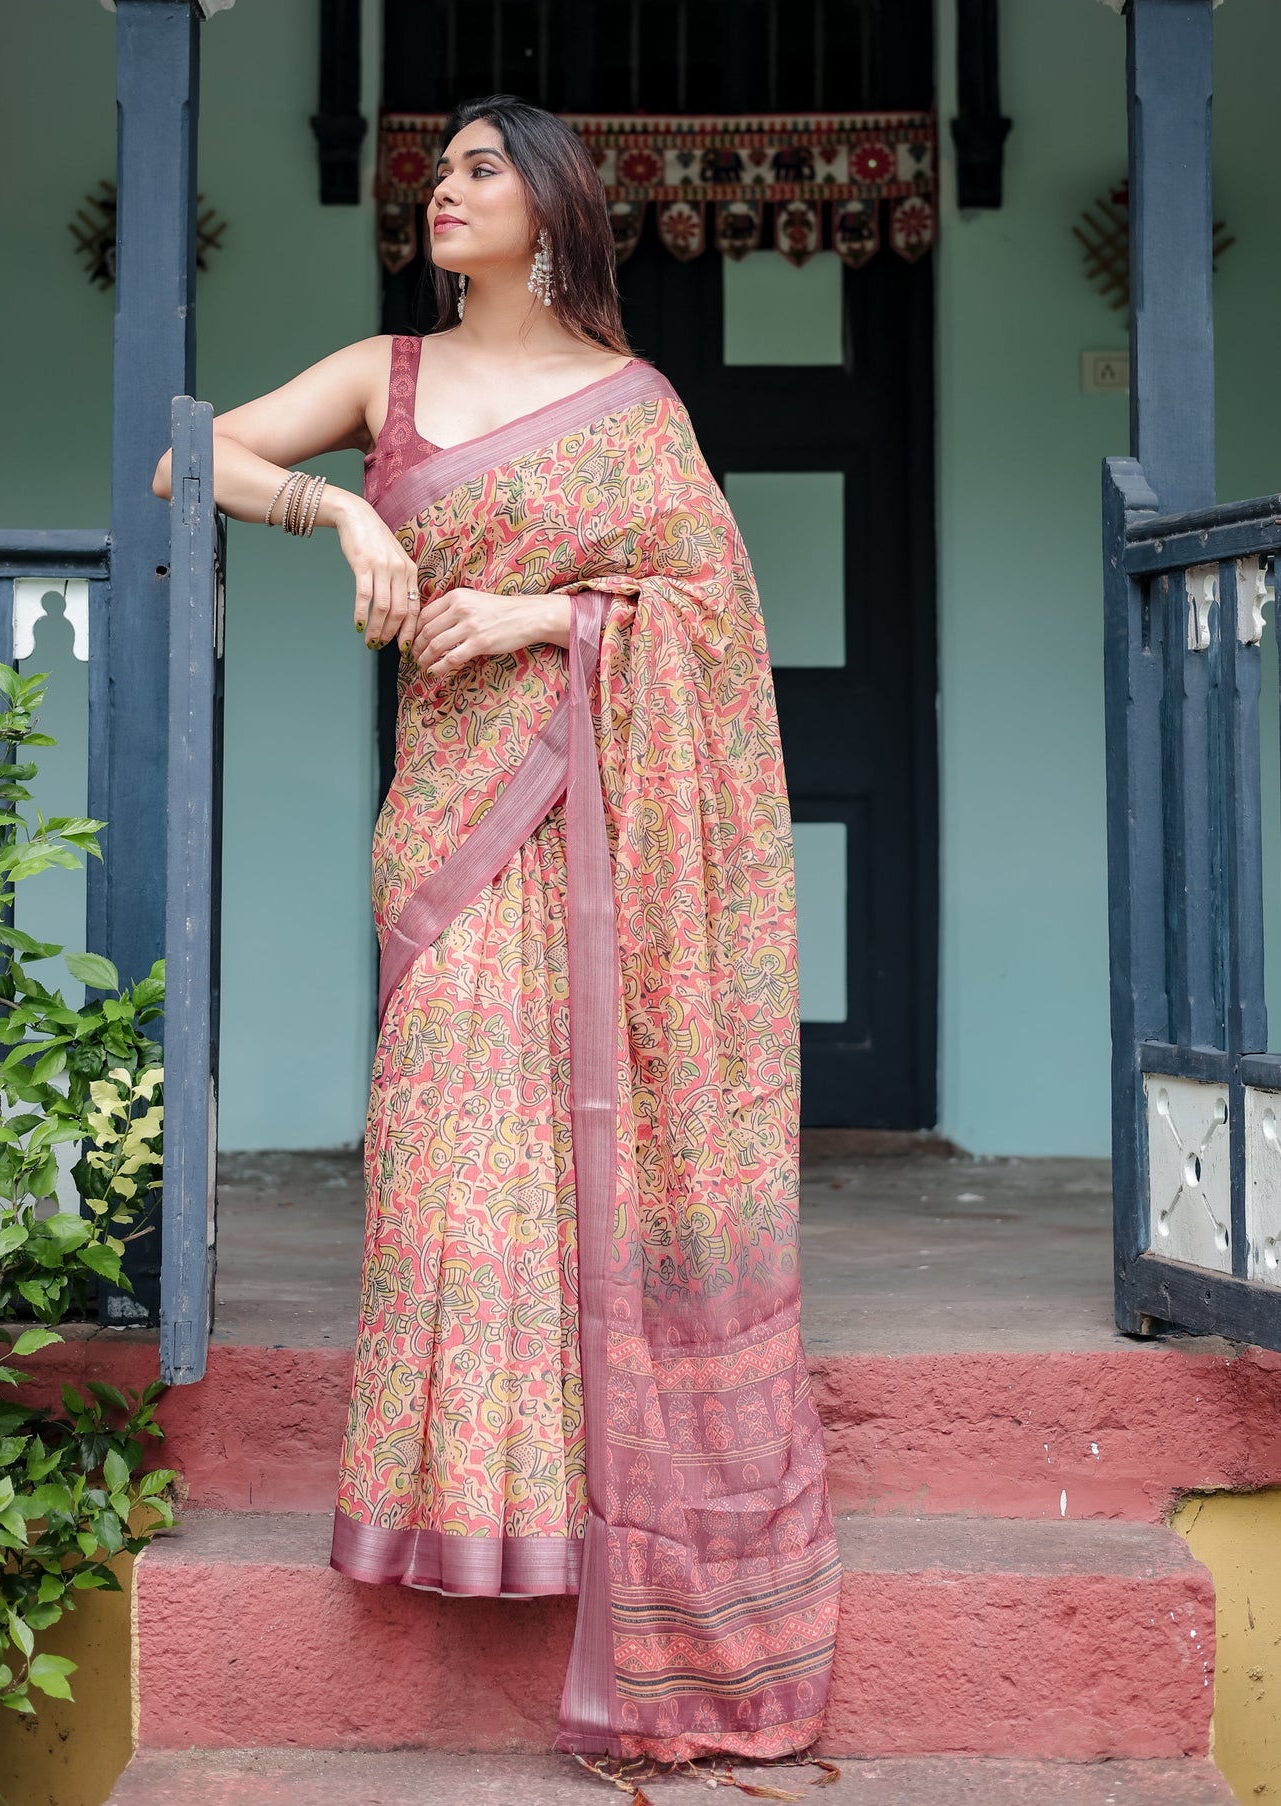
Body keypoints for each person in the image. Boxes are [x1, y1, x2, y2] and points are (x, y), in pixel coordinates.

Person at [153, 92, 839, 1770]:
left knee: (581, 1166)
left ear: (550, 205)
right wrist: (345, 513)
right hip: (453, 832)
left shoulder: (635, 407)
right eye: (437, 170)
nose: (444, 191)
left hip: (599, 826)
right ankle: (460, 1502)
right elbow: (182, 454)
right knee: (462, 1153)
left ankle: (588, 1511)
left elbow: (712, 610)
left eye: (478, 170)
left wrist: (550, 609)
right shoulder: (382, 377)